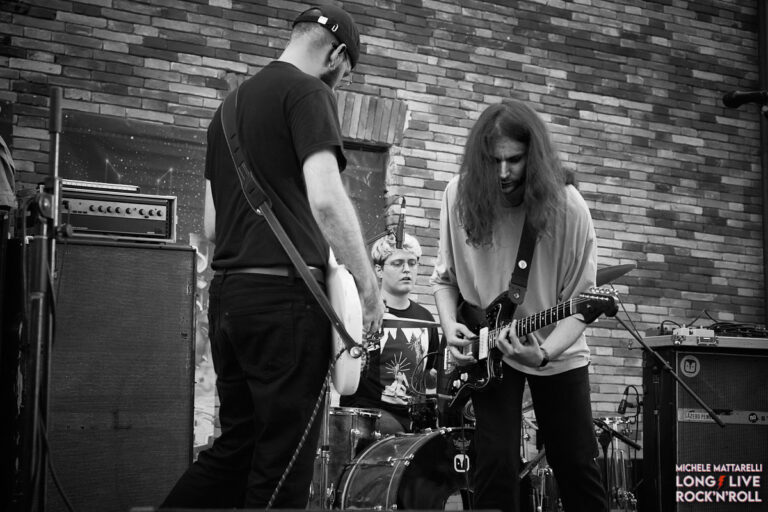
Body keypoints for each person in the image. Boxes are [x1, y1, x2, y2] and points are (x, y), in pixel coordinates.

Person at [161, 4, 385, 509]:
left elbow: (212, 226)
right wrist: (369, 291)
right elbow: (327, 200)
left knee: (236, 449)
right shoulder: (310, 93)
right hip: (284, 303)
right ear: (336, 55)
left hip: (230, 300)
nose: (340, 85)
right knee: (283, 467)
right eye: (346, 75)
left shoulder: (227, 109)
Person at [430, 99, 607, 512]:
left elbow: (581, 305)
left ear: (535, 156)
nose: (503, 172)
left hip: (555, 348)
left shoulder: (568, 207)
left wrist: (543, 354)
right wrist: (450, 326)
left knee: (576, 463)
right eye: (493, 161)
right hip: (489, 349)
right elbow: (444, 280)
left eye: (514, 160)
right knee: (494, 465)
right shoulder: (457, 196)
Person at [339, 232, 439, 434]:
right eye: (397, 263)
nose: (406, 269)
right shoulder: (363, 313)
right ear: (379, 270)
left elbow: (429, 374)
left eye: (412, 263)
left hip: (413, 417)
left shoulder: (426, 318)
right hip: (368, 415)